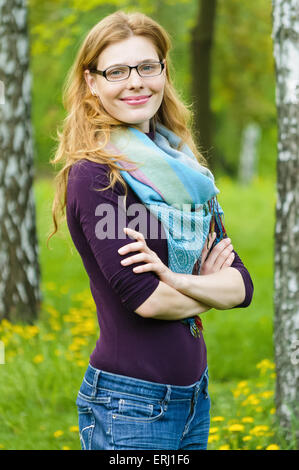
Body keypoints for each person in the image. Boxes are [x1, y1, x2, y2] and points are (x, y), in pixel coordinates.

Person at [49, 10, 254, 450]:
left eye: (147, 67)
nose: (136, 82)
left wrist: (179, 279)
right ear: (92, 82)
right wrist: (204, 284)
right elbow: (148, 299)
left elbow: (241, 284)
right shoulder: (98, 177)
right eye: (117, 71)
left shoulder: (186, 173)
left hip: (193, 396)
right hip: (130, 405)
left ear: (163, 71)